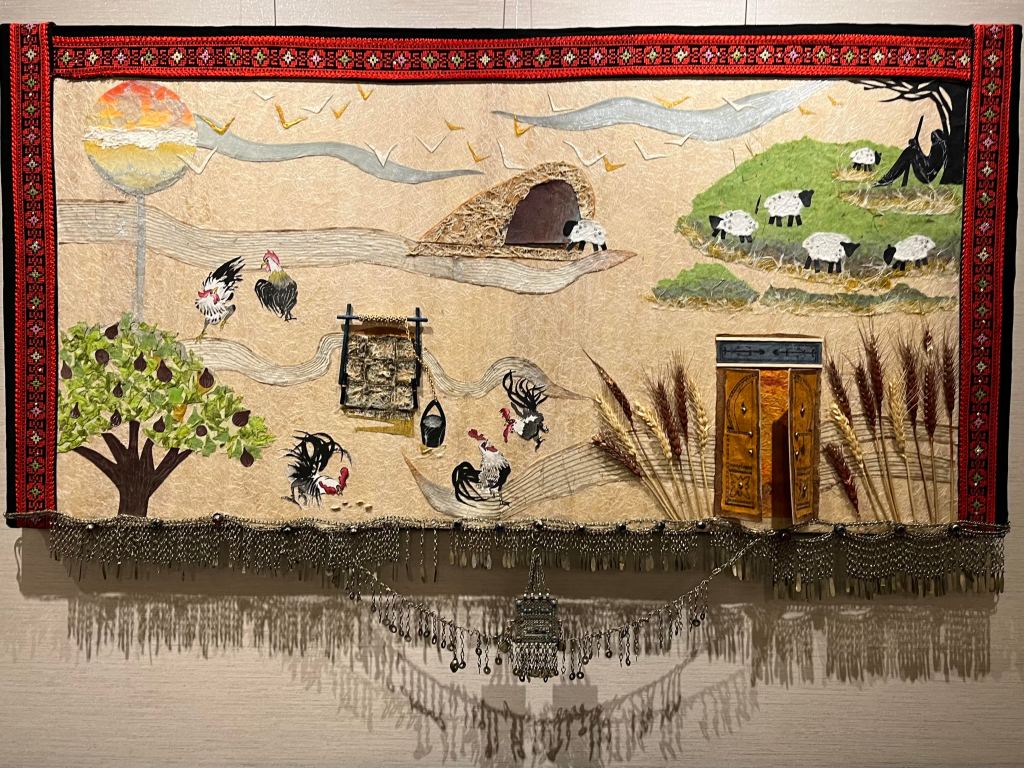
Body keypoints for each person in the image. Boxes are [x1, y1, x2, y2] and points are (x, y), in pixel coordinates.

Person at [874, 128, 948, 187]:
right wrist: (917, 146)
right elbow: (926, 161)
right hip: (927, 174)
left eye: (933, 136)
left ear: (937, 138)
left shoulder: (938, 147)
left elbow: (928, 165)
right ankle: (890, 178)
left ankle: (888, 178)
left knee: (910, 151)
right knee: (910, 151)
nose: (931, 139)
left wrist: (916, 148)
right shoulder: (939, 147)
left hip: (926, 175)